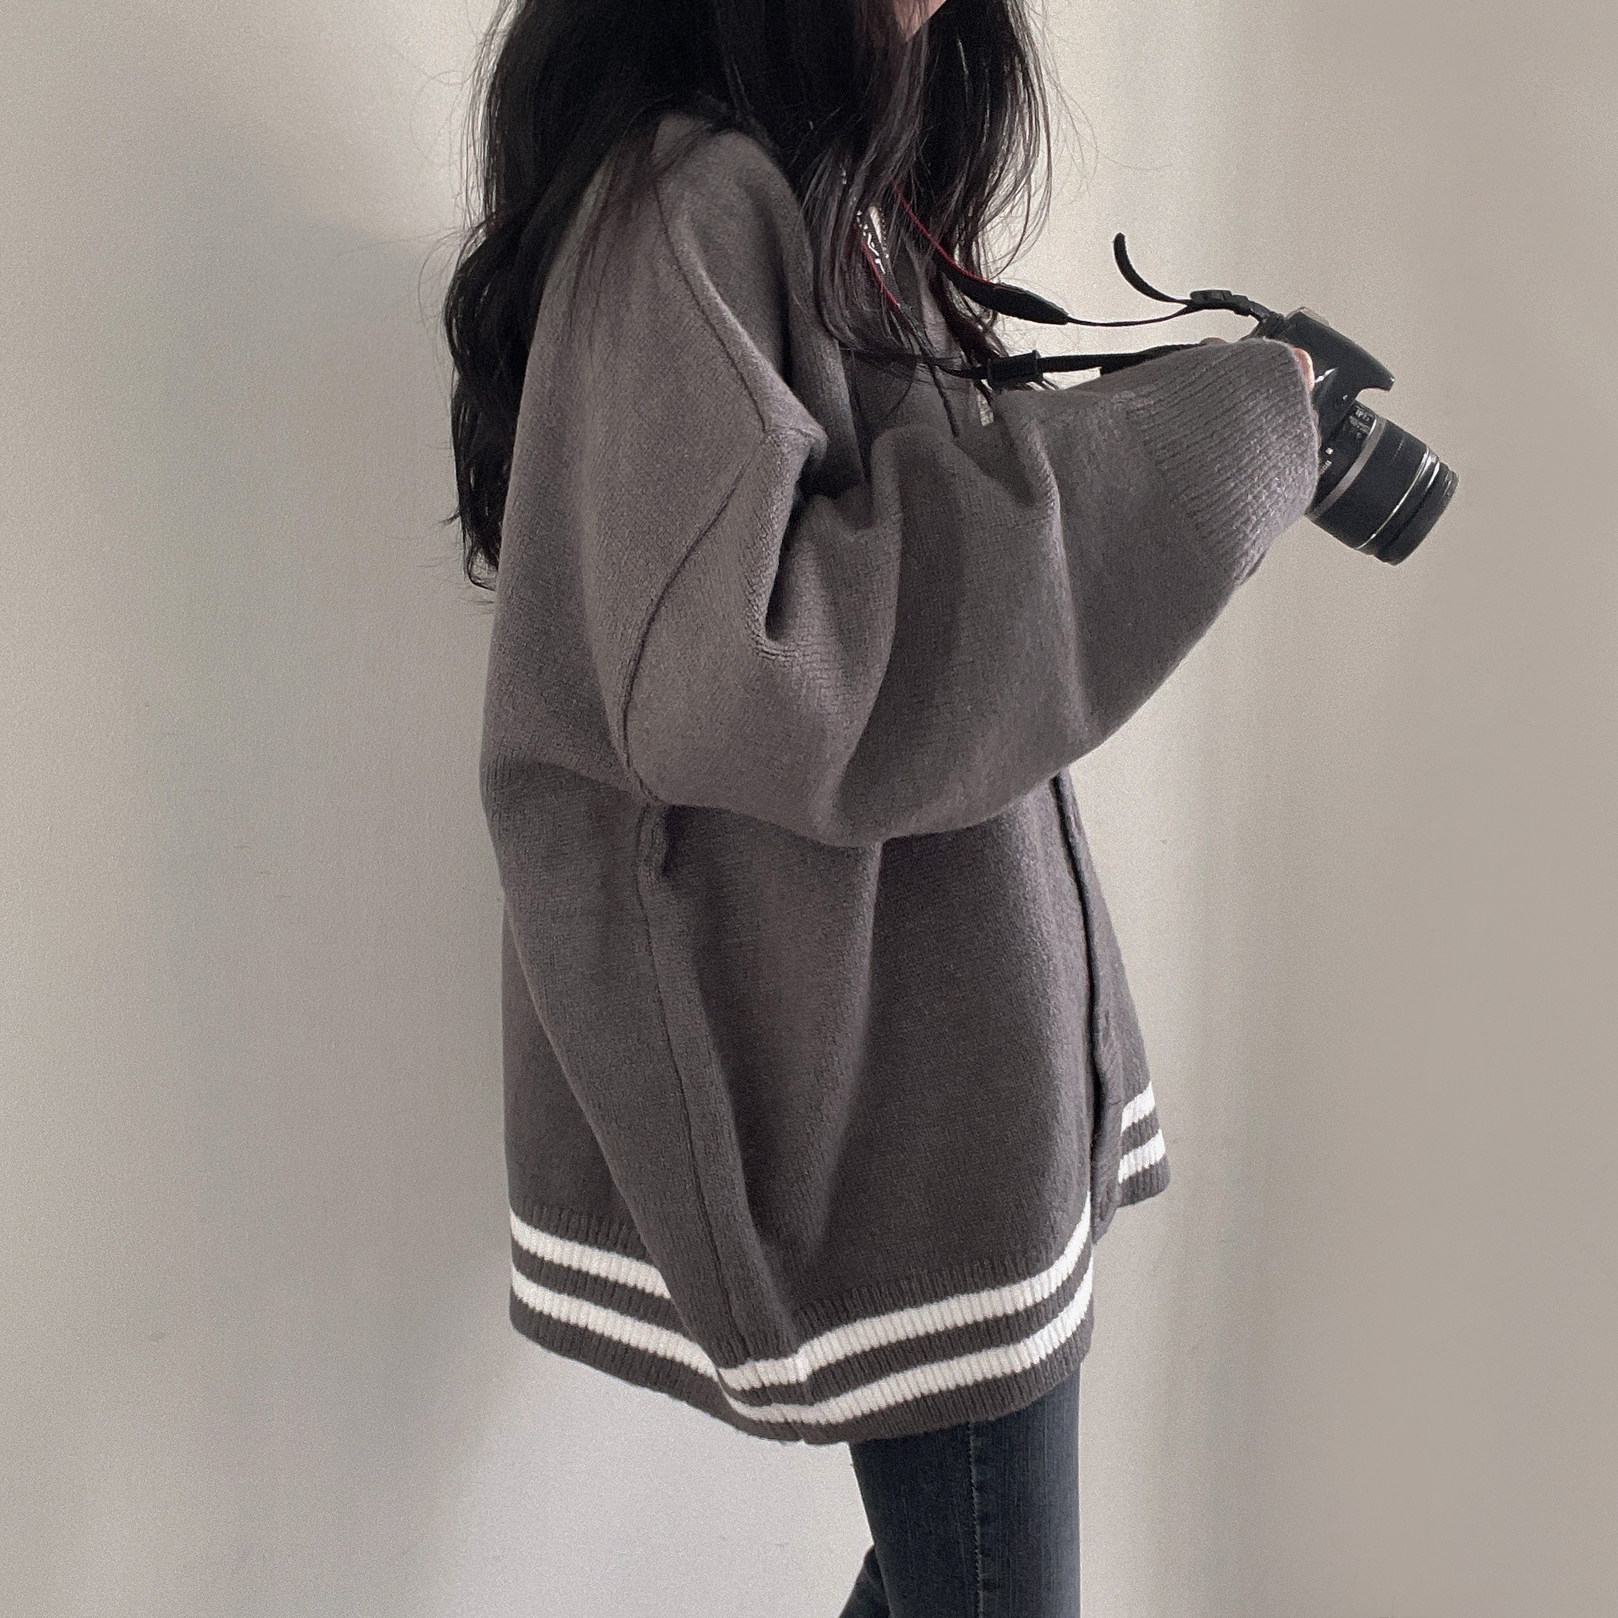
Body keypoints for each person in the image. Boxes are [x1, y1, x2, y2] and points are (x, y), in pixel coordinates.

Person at [442, 1, 1319, 1611]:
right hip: (888, 1110)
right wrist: (1194, 453)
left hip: (949, 1080)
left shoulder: (827, 195)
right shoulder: (686, 208)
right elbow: (750, 668)